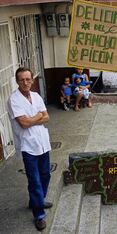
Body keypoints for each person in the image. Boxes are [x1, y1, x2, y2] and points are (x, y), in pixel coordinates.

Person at [7, 67, 52, 231]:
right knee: (34, 180)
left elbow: (46, 117)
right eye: (22, 80)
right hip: (28, 146)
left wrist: (36, 118)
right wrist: (38, 116)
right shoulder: (14, 100)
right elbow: (23, 124)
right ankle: (39, 214)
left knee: (46, 175)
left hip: (42, 142)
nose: (25, 82)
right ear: (17, 81)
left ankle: (37, 200)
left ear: (32, 80)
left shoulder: (36, 96)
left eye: (28, 79)